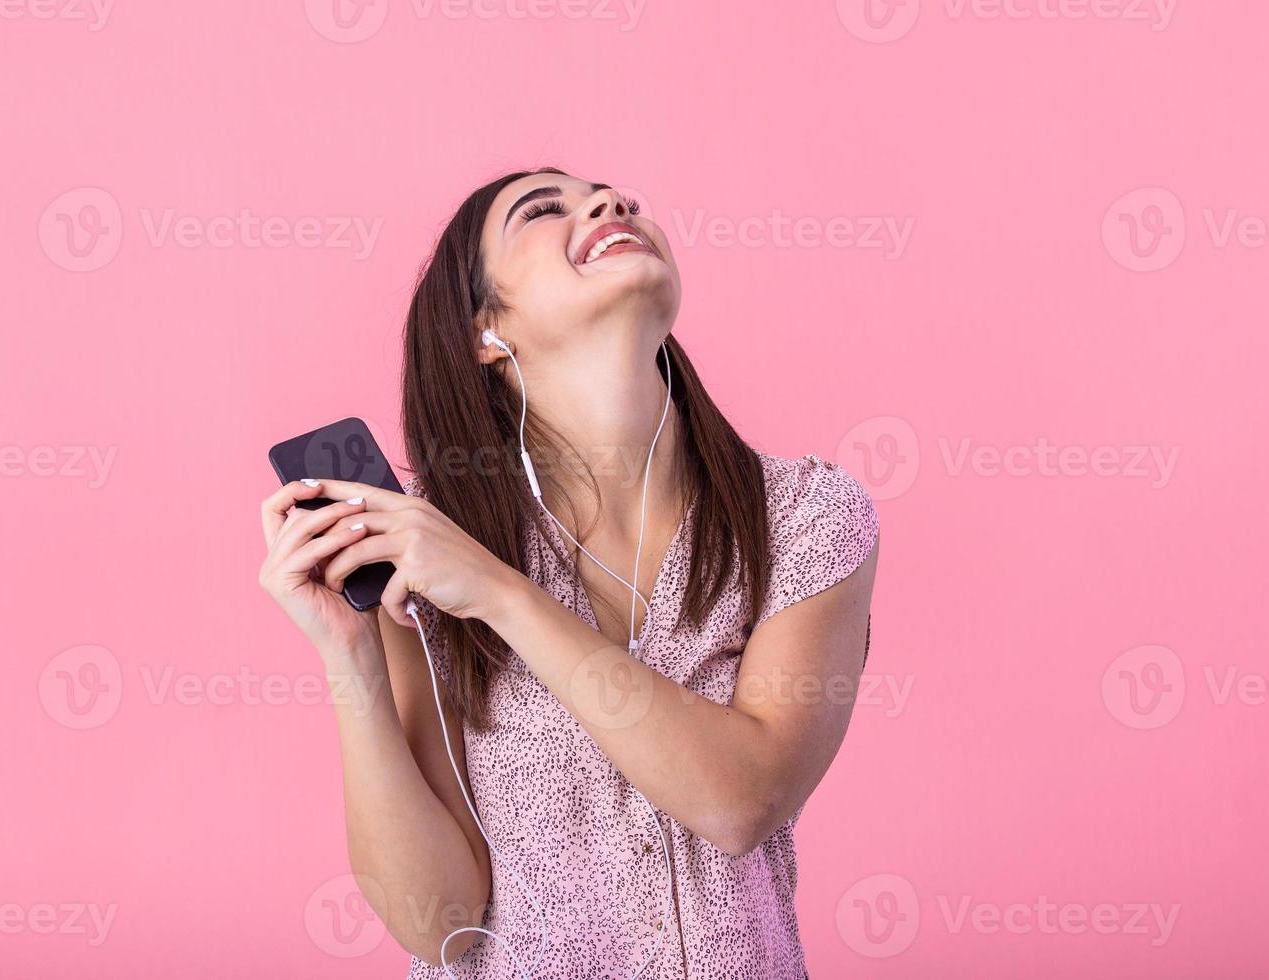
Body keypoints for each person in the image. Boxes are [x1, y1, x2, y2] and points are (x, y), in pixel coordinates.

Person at [258, 167, 881, 978]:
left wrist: (499, 593)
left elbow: (740, 801)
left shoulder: (807, 518)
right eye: (542, 211)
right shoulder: (421, 555)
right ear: (486, 330)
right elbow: (436, 919)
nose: (612, 204)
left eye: (618, 196)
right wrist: (351, 653)